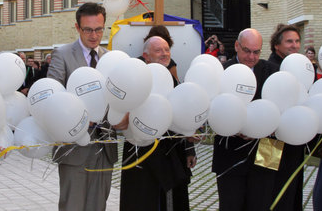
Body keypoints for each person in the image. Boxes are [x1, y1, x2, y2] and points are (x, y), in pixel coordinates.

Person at [47, 3, 119, 211]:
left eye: (99, 29)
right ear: (77, 28)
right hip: (73, 147)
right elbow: (53, 95)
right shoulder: (62, 54)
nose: (94, 35)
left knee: (98, 206)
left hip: (105, 147)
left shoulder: (110, 58)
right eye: (88, 29)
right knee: (73, 205)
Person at [120, 36, 196, 211]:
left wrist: (189, 150)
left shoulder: (175, 81)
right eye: (158, 50)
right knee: (144, 201)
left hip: (172, 153)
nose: (164, 54)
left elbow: (184, 117)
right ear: (146, 56)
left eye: (167, 49)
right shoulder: (136, 81)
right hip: (141, 153)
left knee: (172, 201)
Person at [212, 28, 279, 211]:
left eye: (256, 52)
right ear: (236, 46)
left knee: (262, 203)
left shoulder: (273, 72)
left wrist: (265, 127)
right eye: (247, 50)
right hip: (229, 151)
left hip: (268, 149)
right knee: (231, 204)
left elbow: (282, 109)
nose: (251, 56)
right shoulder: (221, 72)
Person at [267, 23, 305, 211]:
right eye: (289, 41)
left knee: (293, 187)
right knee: (270, 186)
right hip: (271, 142)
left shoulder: (300, 67)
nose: (294, 45)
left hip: (294, 140)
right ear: (277, 45)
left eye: (297, 41)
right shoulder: (269, 68)